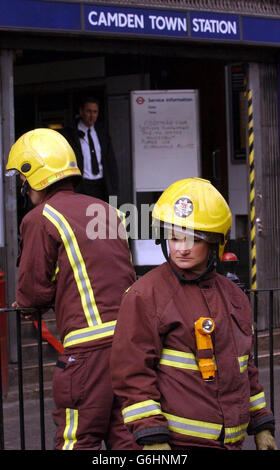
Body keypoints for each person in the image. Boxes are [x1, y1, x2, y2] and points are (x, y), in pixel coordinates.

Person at [111, 177, 278, 451]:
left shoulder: (234, 297)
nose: (181, 248)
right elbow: (132, 374)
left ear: (214, 243)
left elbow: (245, 369)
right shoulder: (146, 294)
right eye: (174, 238)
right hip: (177, 446)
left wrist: (261, 425)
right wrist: (152, 438)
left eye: (193, 239)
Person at [6, 128, 137, 450]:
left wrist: (24, 305)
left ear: (31, 177)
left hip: (87, 351)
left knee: (78, 439)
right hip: (130, 343)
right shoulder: (107, 210)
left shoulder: (40, 218)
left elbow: (33, 293)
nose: (23, 188)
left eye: (22, 180)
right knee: (127, 439)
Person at [60, 96, 118, 202]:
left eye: (95, 112)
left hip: (101, 185)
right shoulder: (71, 134)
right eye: (89, 111)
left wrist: (114, 187)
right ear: (81, 112)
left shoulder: (102, 133)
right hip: (82, 185)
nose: (92, 116)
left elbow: (111, 162)